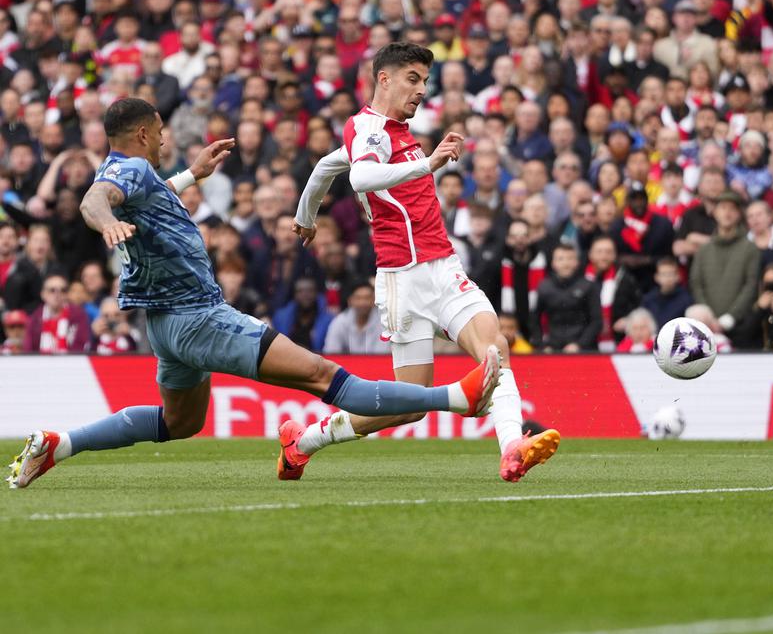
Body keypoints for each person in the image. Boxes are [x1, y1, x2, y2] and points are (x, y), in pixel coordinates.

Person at [8, 99, 499, 489]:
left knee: (179, 423)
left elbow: (143, 196)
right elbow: (96, 197)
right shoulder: (129, 171)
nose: (164, 138)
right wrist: (107, 220)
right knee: (323, 376)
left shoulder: (138, 176)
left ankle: (60, 444)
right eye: (160, 131)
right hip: (200, 318)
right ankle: (456, 395)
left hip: (163, 326)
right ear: (142, 134)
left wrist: (192, 177)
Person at [292, 43, 560, 483]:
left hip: (444, 268)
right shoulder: (368, 129)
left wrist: (305, 218)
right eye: (413, 79)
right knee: (410, 405)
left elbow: (325, 167)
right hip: (402, 280)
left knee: (496, 349)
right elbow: (359, 176)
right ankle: (306, 441)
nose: (421, 90)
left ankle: (513, 446)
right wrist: (429, 165)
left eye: (424, 81)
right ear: (384, 78)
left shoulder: (394, 132)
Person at [689, 191, 761, 344]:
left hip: (741, 328)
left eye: (732, 209)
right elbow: (696, 284)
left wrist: (731, 317)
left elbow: (751, 285)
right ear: (715, 213)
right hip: (706, 328)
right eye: (722, 208)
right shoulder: (704, 250)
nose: (727, 213)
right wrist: (709, 317)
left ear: (739, 214)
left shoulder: (750, 248)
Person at [534, 243, 601, 352]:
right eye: (560, 259)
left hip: (583, 349)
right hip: (552, 347)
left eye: (570, 258)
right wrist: (542, 345)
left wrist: (579, 345)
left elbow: (596, 321)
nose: (566, 263)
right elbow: (534, 318)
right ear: (553, 263)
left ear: (577, 262)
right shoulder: (544, 287)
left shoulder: (589, 286)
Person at [585, 235, 642, 352]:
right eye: (599, 252)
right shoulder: (581, 280)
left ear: (615, 255)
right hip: (585, 343)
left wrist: (629, 320)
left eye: (608, 252)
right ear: (590, 254)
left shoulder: (625, 279)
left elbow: (638, 306)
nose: (604, 256)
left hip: (618, 342)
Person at [22, 273, 92, 354]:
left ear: (67, 294)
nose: (57, 294)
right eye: (52, 290)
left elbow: (81, 345)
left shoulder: (78, 315)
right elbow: (29, 349)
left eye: (63, 290)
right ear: (43, 294)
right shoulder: (35, 318)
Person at [642, 256, 692, 328]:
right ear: (656, 277)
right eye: (664, 274)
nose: (668, 278)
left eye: (671, 274)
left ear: (678, 276)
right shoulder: (648, 300)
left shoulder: (687, 299)